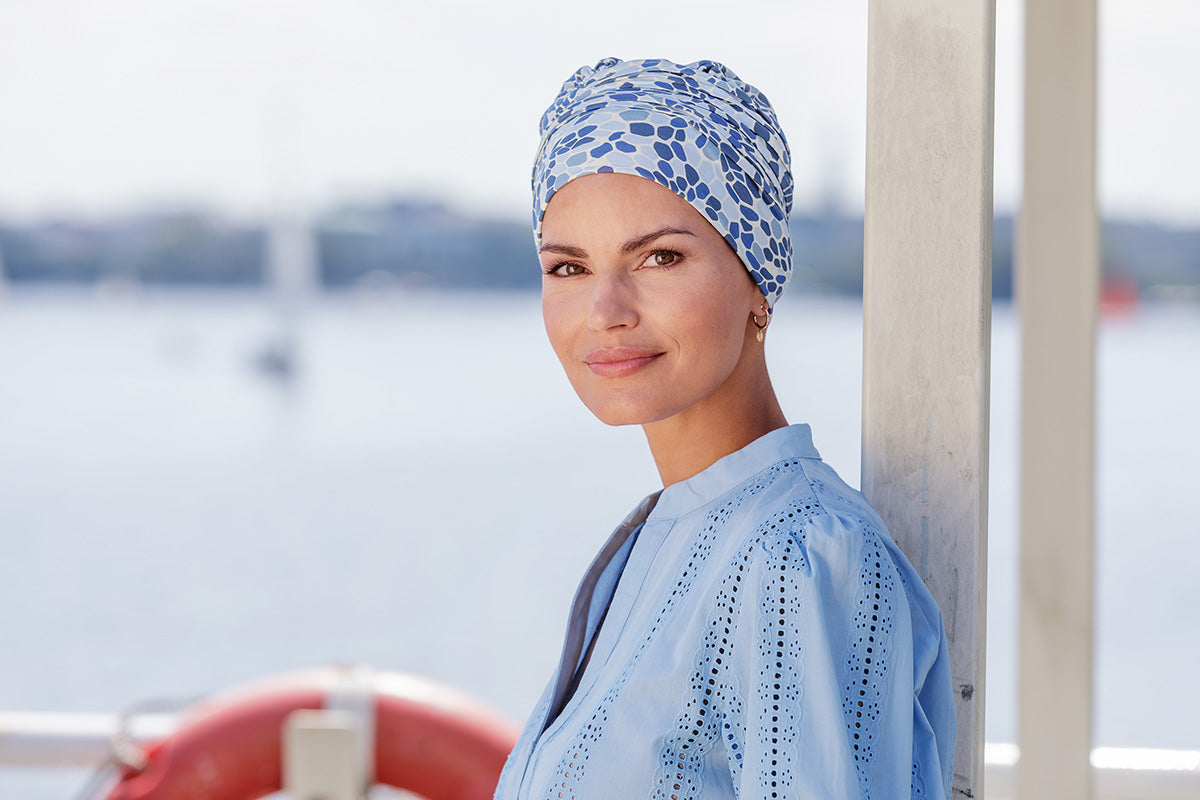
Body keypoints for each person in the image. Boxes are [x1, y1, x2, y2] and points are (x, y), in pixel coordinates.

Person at [493, 57, 956, 800]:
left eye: (661, 257)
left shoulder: (794, 558)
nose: (605, 311)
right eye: (569, 268)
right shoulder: (659, 534)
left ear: (756, 280)